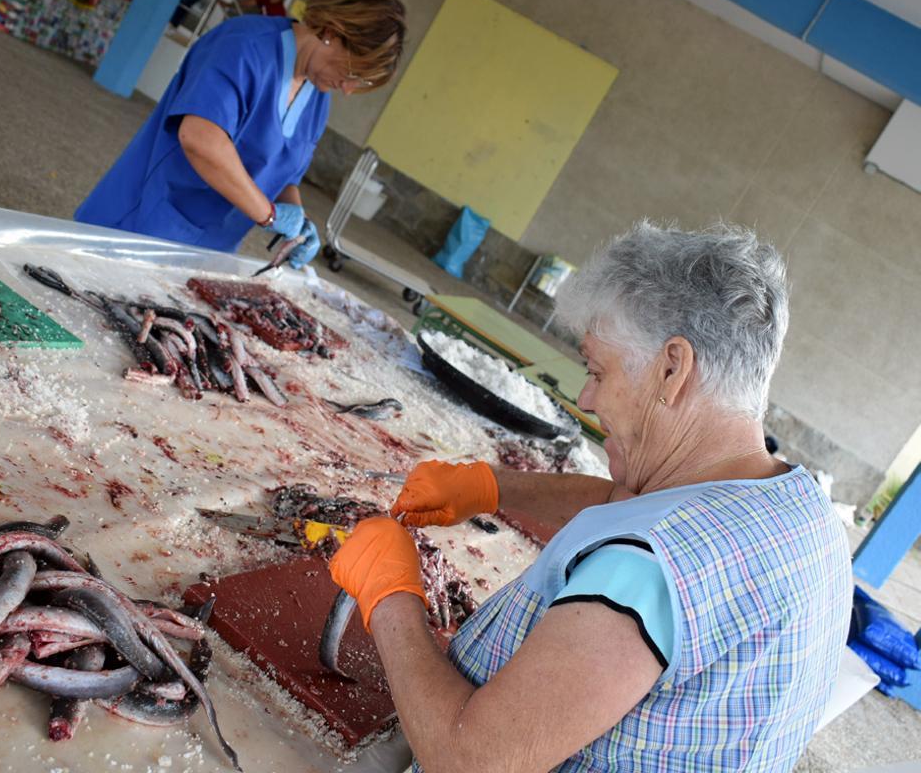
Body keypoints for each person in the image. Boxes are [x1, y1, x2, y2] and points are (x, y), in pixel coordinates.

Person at [330, 222, 852, 771]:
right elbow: (632, 502)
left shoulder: (647, 568)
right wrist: (492, 487)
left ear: (672, 369)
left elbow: (468, 759)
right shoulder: (798, 507)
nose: (586, 396)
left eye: (597, 370)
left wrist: (390, 599)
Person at [76, 0, 405, 269]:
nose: (347, 89)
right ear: (333, 31)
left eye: (359, 84)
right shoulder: (244, 47)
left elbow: (283, 175)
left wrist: (297, 221)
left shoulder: (317, 97)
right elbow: (201, 139)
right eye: (352, 73)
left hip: (210, 252)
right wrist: (270, 215)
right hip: (141, 224)